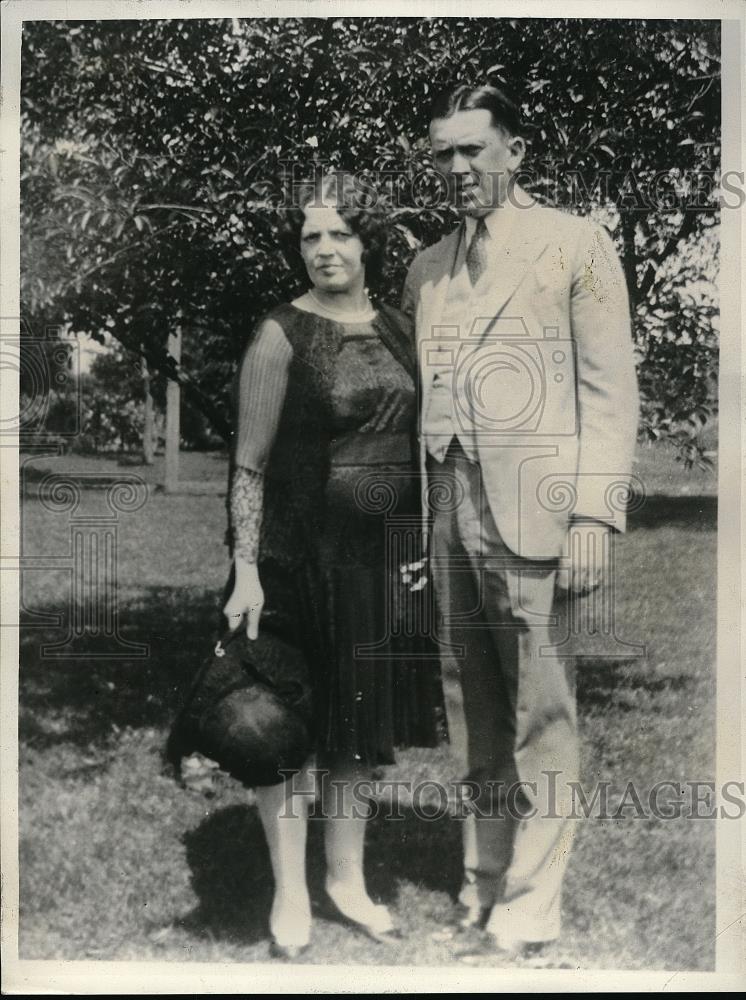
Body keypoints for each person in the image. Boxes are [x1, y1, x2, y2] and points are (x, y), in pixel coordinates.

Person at [401, 84, 639, 958]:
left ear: (514, 151)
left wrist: (592, 515)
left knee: (543, 713)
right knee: (474, 709)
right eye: (443, 154)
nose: (458, 169)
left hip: (540, 513)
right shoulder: (426, 267)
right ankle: (485, 881)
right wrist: (424, 528)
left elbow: (609, 390)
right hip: (450, 510)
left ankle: (533, 906)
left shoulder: (575, 245)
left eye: (473, 150)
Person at [220, 172, 439, 958]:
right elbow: (248, 465)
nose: (323, 249)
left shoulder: (402, 329)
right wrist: (246, 568)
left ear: (367, 239)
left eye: (339, 232)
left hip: (377, 564)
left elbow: (421, 448)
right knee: (282, 727)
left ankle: (346, 881)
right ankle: (289, 892)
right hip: (290, 559)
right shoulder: (281, 333)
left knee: (356, 730)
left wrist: (417, 543)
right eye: (310, 236)